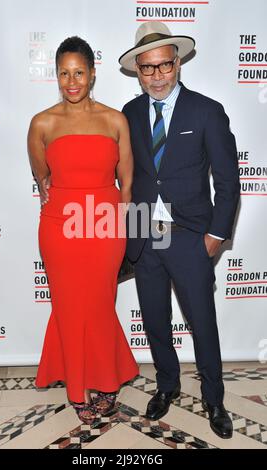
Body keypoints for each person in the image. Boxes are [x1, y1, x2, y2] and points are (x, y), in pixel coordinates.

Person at [119, 22, 240, 439]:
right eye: (147, 68)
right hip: (144, 236)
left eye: (164, 66)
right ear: (138, 69)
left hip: (190, 235)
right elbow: (124, 176)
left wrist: (215, 234)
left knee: (202, 322)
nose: (156, 76)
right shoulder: (130, 114)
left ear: (178, 63)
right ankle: (167, 385)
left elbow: (228, 181)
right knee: (155, 319)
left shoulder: (207, 110)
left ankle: (214, 399)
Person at [28, 36, 138, 425]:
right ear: (56, 76)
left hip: (106, 228)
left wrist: (120, 227)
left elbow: (126, 183)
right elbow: (42, 177)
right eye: (63, 73)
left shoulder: (114, 120)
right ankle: (78, 389)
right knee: (70, 308)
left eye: (79, 72)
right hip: (60, 231)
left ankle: (106, 380)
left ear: (93, 73)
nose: (71, 81)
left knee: (99, 304)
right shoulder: (43, 123)